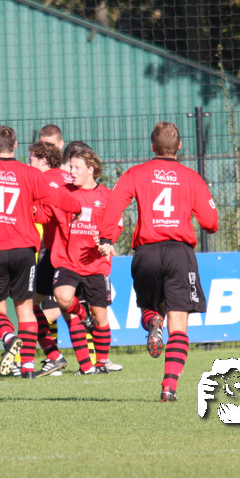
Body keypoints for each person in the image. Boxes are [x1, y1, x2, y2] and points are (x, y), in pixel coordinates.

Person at [0, 125, 83, 378]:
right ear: (16, 145)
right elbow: (55, 198)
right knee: (26, 309)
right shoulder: (30, 174)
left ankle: (9, 337)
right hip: (23, 251)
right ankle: (28, 367)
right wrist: (77, 207)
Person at [98, 121, 219, 402]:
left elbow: (114, 203)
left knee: (150, 307)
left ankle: (153, 320)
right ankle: (168, 387)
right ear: (179, 146)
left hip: (147, 253)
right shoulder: (191, 177)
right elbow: (211, 223)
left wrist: (107, 237)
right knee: (179, 325)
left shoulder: (136, 173)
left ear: (152, 146)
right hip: (179, 253)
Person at [36, 146, 122, 377]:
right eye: (71, 167)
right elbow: (45, 214)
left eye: (76, 168)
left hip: (96, 264)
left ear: (91, 169)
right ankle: (85, 363)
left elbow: (116, 225)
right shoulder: (62, 193)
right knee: (63, 297)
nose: (71, 172)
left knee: (100, 317)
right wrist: (31, 210)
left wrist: (107, 241)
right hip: (67, 261)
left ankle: (100, 363)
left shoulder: (106, 196)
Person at [27, 140, 70, 376]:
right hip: (76, 250)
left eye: (31, 159)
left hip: (53, 252)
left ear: (43, 161)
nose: (29, 164)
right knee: (70, 306)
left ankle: (49, 355)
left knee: (31, 306)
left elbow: (43, 215)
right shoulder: (69, 177)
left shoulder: (40, 180)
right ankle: (91, 363)